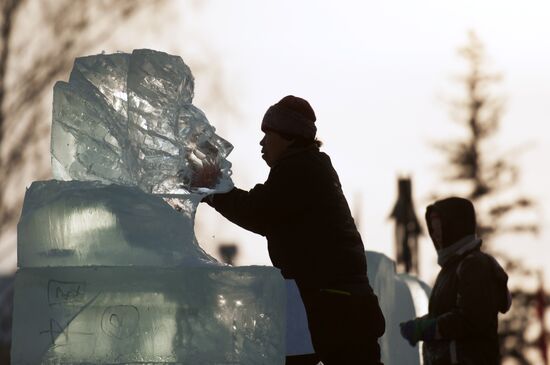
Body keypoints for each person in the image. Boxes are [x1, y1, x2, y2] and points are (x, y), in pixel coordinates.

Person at [202, 95, 385, 364]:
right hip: (342, 306)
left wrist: (212, 190)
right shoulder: (311, 166)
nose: (262, 142)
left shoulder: (300, 170)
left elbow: (258, 211)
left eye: (269, 134)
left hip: (334, 308)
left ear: (288, 136)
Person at [399, 197, 512, 365]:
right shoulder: (451, 269)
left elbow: (470, 319)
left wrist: (429, 329)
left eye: (440, 228)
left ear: (456, 228)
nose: (436, 235)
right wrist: (421, 324)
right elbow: (446, 313)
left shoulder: (474, 265)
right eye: (433, 229)